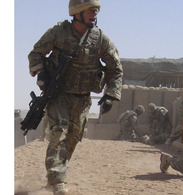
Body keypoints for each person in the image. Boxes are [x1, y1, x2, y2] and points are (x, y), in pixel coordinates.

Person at [27, 0, 123, 194]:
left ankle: (55, 176)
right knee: (59, 132)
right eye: (90, 10)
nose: (94, 14)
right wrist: (42, 74)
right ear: (77, 12)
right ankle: (57, 181)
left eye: (96, 10)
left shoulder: (100, 39)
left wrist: (111, 95)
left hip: (83, 99)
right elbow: (35, 54)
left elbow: (116, 70)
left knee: (72, 138)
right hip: (59, 95)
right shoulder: (58, 32)